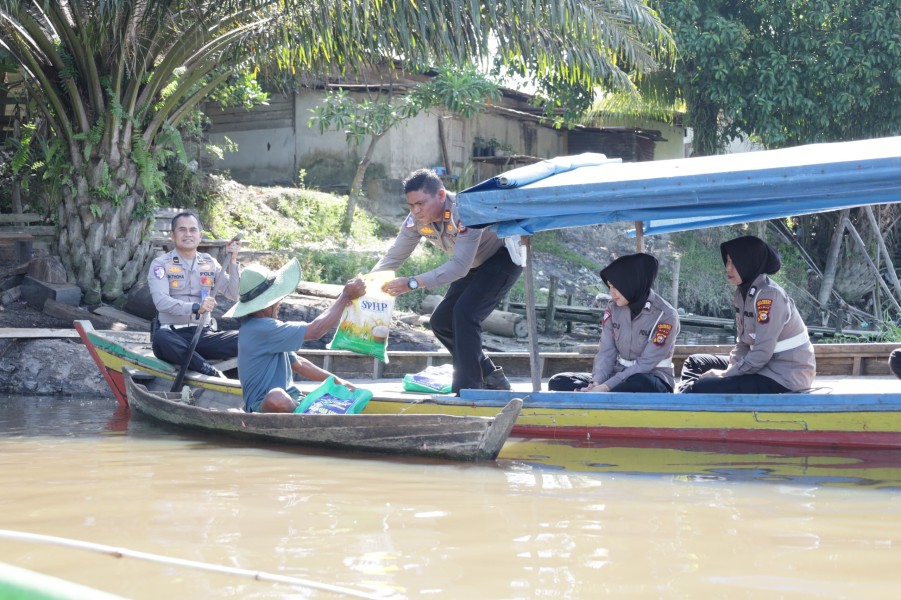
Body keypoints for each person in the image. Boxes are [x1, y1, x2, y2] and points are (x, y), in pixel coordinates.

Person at [373, 168, 522, 393]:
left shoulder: (465, 211)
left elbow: (459, 267)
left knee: (465, 314)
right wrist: (367, 283)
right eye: (411, 205)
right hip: (474, 264)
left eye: (421, 203)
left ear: (441, 195)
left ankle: (469, 389)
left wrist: (412, 282)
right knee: (441, 321)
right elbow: (395, 255)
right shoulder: (416, 220)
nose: (416, 210)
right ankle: (491, 376)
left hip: (503, 258)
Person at [224, 258, 366, 413]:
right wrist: (344, 297)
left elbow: (298, 363)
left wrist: (341, 383)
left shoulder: (266, 328)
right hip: (262, 406)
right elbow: (316, 330)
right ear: (265, 304)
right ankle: (304, 417)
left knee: (319, 395)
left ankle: (303, 412)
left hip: (294, 400)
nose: (279, 302)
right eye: (276, 299)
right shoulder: (259, 328)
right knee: (276, 397)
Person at [679, 234, 816, 394]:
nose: (728, 268)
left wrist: (725, 375)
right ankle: (684, 401)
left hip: (783, 376)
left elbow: (762, 353)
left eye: (734, 262)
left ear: (748, 263)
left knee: (703, 387)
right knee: (695, 362)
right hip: (761, 367)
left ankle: (685, 402)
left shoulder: (769, 297)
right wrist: (732, 367)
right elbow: (743, 344)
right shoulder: (743, 293)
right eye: (728, 261)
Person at [548, 253, 680, 393]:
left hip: (651, 377)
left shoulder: (665, 316)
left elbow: (645, 364)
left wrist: (606, 387)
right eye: (610, 286)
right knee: (558, 381)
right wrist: (596, 382)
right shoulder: (613, 308)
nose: (612, 293)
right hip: (616, 375)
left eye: (617, 287)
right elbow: (606, 352)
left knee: (636, 384)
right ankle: (597, 395)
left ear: (631, 283)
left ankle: (603, 395)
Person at [147, 210, 242, 377]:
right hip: (173, 335)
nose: (188, 234)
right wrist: (196, 307)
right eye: (182, 230)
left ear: (200, 235)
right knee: (161, 338)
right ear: (172, 235)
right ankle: (209, 370)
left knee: (248, 338)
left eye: (193, 230)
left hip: (203, 336)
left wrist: (233, 260)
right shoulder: (160, 264)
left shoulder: (209, 262)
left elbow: (233, 293)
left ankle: (197, 362)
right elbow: (161, 302)